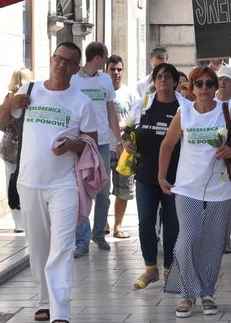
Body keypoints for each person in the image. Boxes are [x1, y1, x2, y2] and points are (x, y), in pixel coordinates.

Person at [0, 42, 98, 323]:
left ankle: (60, 312)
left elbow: (90, 144)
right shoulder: (29, 91)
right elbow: (0, 121)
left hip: (64, 185)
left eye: (68, 62)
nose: (61, 65)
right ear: (52, 59)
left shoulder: (81, 102)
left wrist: (71, 145)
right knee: (38, 246)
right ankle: (44, 301)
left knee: (62, 246)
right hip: (28, 183)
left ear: (76, 68)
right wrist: (9, 103)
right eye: (58, 58)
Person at [158, 66, 231, 317]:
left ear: (216, 86)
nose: (205, 89)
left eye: (210, 84)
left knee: (212, 244)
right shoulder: (183, 112)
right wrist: (161, 176)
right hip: (187, 187)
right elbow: (167, 146)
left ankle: (207, 292)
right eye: (200, 84)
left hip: (221, 188)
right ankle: (187, 294)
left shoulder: (227, 111)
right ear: (192, 87)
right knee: (187, 240)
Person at [129, 63, 185, 290]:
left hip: (176, 177)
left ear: (175, 82)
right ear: (154, 80)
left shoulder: (185, 107)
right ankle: (150, 268)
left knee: (172, 224)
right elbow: (128, 129)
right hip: (145, 175)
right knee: (145, 221)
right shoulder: (143, 104)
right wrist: (126, 141)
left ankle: (170, 268)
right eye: (159, 76)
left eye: (167, 76)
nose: (163, 80)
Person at [71, 42, 120, 256]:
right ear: (98, 58)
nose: (107, 61)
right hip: (81, 143)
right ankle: (81, 239)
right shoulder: (73, 79)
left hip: (101, 143)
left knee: (102, 191)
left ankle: (99, 233)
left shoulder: (105, 80)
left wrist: (119, 141)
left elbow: (111, 111)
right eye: (106, 57)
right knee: (80, 191)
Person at [0, 67, 34, 233]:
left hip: (10, 146)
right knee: (26, 183)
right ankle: (25, 220)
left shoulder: (9, 98)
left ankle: (18, 223)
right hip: (26, 146)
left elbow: (0, 123)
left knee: (11, 181)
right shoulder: (31, 97)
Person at [106, 55, 140, 239]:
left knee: (124, 190)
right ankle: (103, 223)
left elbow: (137, 119)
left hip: (125, 150)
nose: (116, 73)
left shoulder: (131, 93)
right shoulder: (101, 92)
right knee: (102, 190)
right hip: (104, 147)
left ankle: (117, 226)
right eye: (112, 69)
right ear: (106, 70)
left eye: (119, 69)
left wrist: (123, 127)